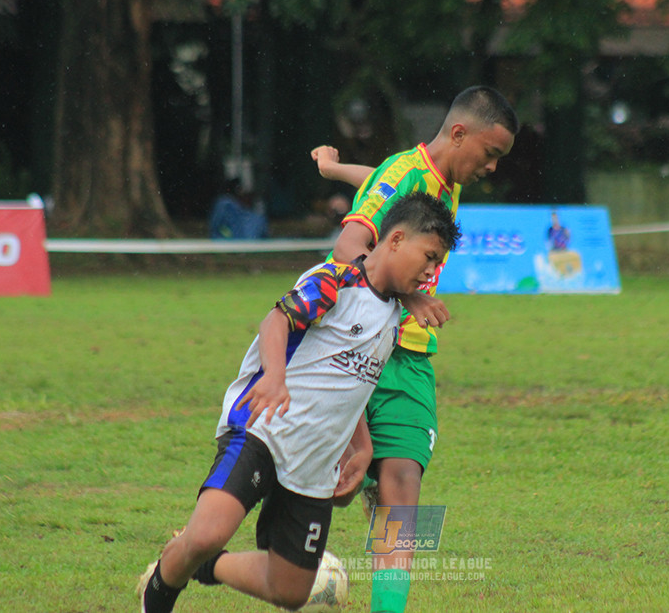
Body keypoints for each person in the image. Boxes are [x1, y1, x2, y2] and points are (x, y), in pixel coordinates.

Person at [138, 192, 461, 613]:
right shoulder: (336, 281)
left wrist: (361, 447)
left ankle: (209, 567)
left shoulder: (395, 310)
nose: (433, 272)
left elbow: (352, 381)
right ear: (396, 239)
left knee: (290, 590)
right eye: (430, 257)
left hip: (313, 463)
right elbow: (276, 320)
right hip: (265, 428)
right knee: (204, 535)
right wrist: (274, 378)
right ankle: (161, 589)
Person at [313, 86, 518, 613]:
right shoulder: (409, 171)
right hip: (362, 349)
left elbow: (382, 185)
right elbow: (348, 248)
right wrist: (411, 292)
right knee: (328, 485)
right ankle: (209, 544)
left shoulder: (436, 180)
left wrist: (339, 171)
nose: (491, 168)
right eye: (490, 154)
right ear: (458, 134)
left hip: (412, 361)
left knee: (402, 487)